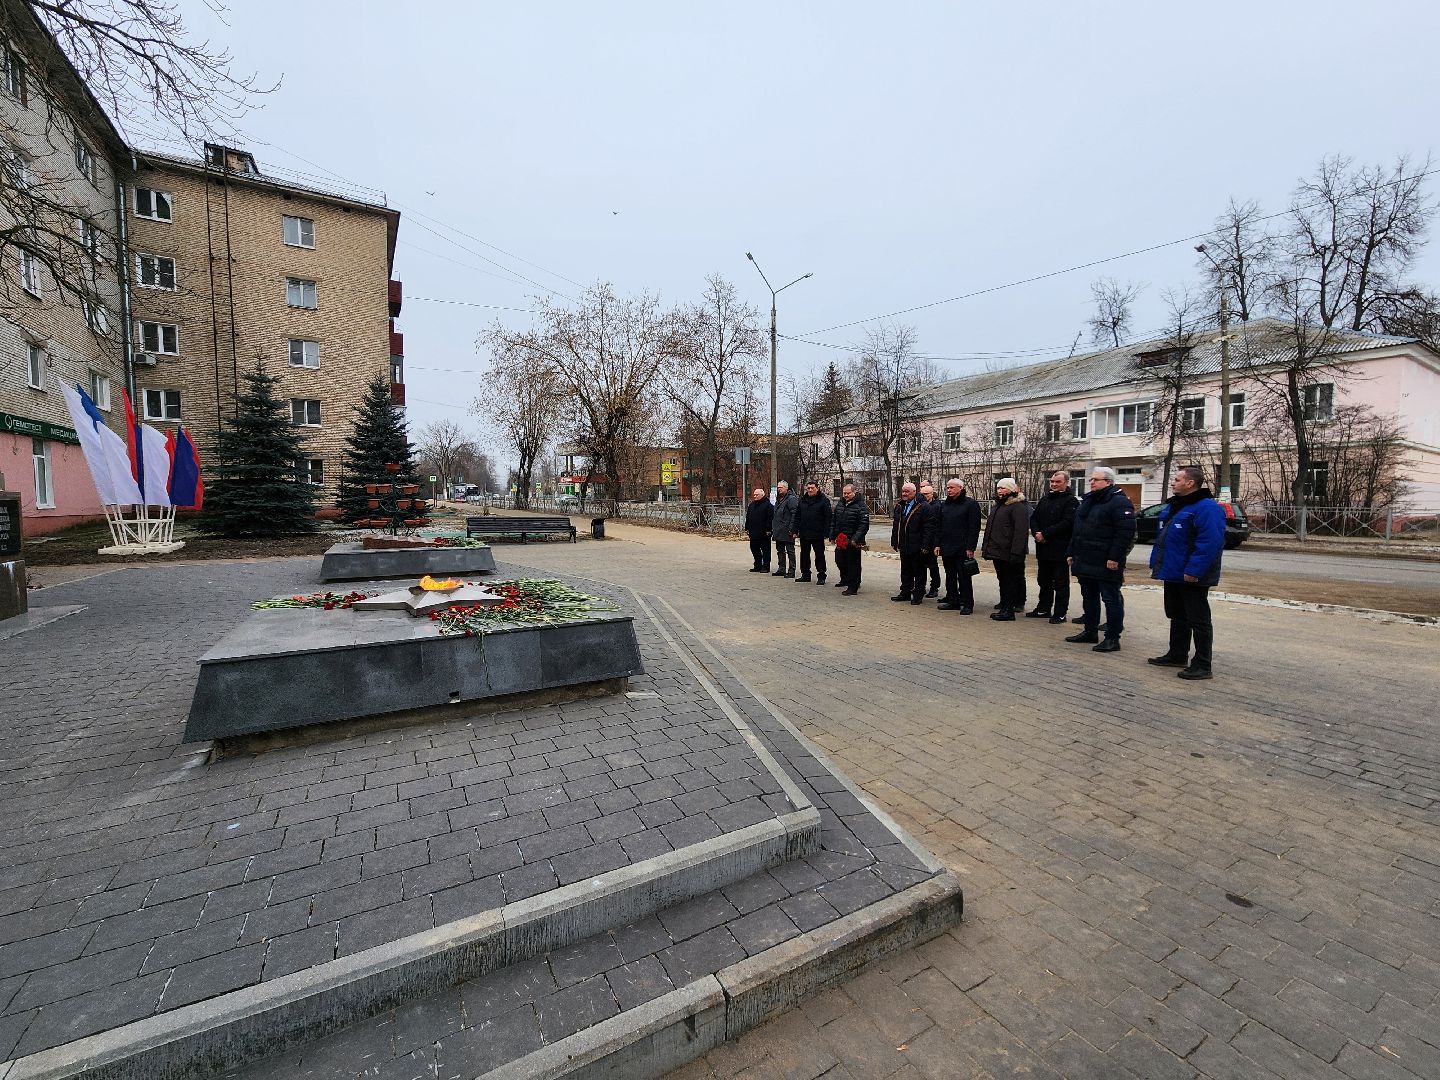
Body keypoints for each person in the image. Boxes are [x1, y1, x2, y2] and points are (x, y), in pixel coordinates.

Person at [1148, 465, 1226, 680]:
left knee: (1198, 619)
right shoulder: (1178, 506)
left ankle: (1202, 664)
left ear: (1190, 483)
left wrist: (1194, 570)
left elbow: (1210, 542)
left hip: (1191, 574)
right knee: (1177, 615)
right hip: (1173, 571)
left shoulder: (1206, 508)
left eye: (1176, 479)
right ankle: (1177, 654)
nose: (1173, 482)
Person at [1066, 466, 1136, 652]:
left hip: (1106, 561)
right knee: (1088, 598)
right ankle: (1090, 631)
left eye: (1096, 480)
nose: (1092, 482)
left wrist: (1114, 557)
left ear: (1108, 482)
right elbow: (1078, 529)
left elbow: (1125, 533)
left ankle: (1113, 637)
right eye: (1091, 480)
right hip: (1085, 558)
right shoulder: (1089, 501)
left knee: (1110, 599)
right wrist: (1071, 551)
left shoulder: (1119, 502)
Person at [1028, 471, 1079, 624]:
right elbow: (1034, 517)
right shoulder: (1045, 499)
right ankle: (1043, 608)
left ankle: (1060, 612)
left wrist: (1045, 533)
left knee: (1060, 583)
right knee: (1043, 580)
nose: (1054, 484)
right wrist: (1036, 532)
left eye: (1058, 482)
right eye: (1052, 482)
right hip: (1043, 548)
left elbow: (1068, 522)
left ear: (1066, 483)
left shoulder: (1071, 501)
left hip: (1060, 548)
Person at [981, 478, 1030, 620]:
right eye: (998, 488)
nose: (1000, 491)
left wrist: (1016, 552)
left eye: (1003, 488)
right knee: (1003, 580)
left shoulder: (1018, 507)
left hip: (1009, 552)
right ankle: (1005, 605)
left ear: (1011, 490)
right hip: (998, 551)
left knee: (1010, 581)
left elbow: (1020, 533)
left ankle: (1009, 610)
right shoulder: (999, 506)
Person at [933, 477, 981, 613]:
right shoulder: (945, 505)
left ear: (961, 488)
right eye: (947, 488)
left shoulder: (970, 504)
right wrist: (937, 544)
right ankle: (953, 600)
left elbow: (974, 528)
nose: (949, 490)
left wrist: (970, 547)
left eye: (952, 487)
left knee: (964, 577)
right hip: (947, 547)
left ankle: (967, 604)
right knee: (950, 576)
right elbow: (939, 526)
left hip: (962, 548)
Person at [890, 482, 935, 605]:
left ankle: (918, 595)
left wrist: (925, 546)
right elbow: (896, 525)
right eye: (903, 491)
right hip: (904, 545)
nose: (904, 494)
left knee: (919, 571)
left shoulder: (924, 506)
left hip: (918, 546)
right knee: (905, 570)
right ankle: (905, 592)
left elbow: (928, 528)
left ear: (915, 492)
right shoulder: (900, 505)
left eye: (907, 492)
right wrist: (895, 541)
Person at [829, 482, 870, 595]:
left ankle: (853, 586)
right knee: (840, 560)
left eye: (848, 493)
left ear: (854, 492)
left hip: (853, 541)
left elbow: (864, 524)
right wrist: (832, 535)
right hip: (841, 539)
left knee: (853, 564)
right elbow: (834, 521)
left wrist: (855, 539)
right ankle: (845, 579)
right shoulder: (840, 504)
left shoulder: (861, 506)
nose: (846, 495)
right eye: (844, 493)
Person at [793, 480, 832, 583]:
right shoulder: (803, 500)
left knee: (819, 555)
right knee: (804, 555)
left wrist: (826, 532)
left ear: (817, 488)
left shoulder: (823, 501)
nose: (810, 490)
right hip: (804, 533)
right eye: (808, 488)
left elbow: (828, 517)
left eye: (812, 488)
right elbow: (797, 516)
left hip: (818, 533)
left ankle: (821, 576)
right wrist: (794, 530)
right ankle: (805, 575)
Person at [919, 483, 942, 597]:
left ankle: (934, 587)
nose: (924, 496)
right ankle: (920, 587)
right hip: (921, 539)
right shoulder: (920, 505)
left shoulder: (937, 506)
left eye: (926, 494)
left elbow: (938, 526)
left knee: (932, 565)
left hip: (932, 541)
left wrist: (936, 543)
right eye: (922, 494)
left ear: (932, 494)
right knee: (921, 565)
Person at [771, 480, 798, 578]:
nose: (779, 490)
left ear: (786, 488)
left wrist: (792, 528)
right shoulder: (779, 499)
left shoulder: (791, 499)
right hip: (779, 530)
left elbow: (794, 514)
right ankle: (781, 569)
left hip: (787, 530)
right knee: (780, 551)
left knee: (790, 551)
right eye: (778, 488)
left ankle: (791, 571)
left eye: (781, 488)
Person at [744, 487, 772, 572]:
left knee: (765, 550)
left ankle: (766, 566)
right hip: (753, 531)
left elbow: (770, 518)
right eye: (754, 495)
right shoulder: (752, 505)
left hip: (764, 532)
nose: (755, 496)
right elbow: (748, 517)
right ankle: (757, 565)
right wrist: (747, 527)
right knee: (754, 549)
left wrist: (768, 529)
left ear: (762, 495)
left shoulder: (768, 505)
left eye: (757, 495)